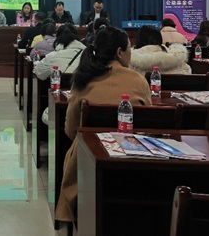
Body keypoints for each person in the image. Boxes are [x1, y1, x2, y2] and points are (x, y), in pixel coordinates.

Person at [56, 27, 151, 224]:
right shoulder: (139, 81)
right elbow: (149, 126)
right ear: (119, 52)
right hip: (135, 164)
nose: (131, 52)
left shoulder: (83, 80)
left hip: (87, 162)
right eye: (129, 48)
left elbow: (70, 130)